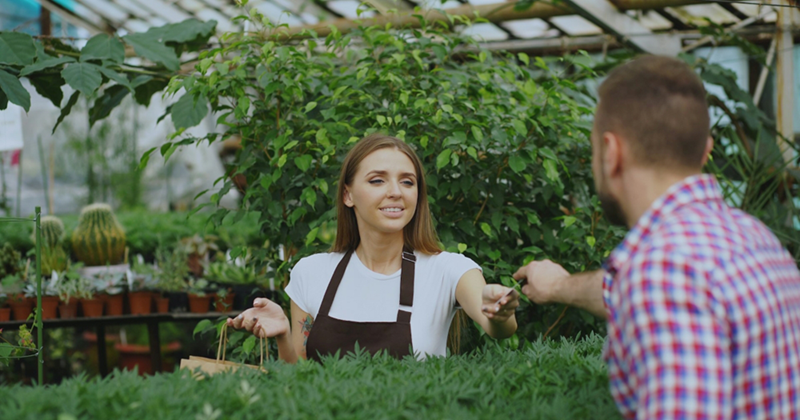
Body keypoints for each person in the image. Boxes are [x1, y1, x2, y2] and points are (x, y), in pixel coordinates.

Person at [514, 55, 800, 419]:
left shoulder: (663, 270)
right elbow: (637, 288)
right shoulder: (755, 238)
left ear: (612, 153)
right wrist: (558, 285)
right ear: (706, 150)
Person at [229, 133, 519, 363]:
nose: (395, 191)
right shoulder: (311, 272)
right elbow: (298, 378)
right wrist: (282, 335)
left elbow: (496, 327)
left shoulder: (449, 269)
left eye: (407, 181)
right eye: (377, 180)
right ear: (348, 194)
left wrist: (500, 314)